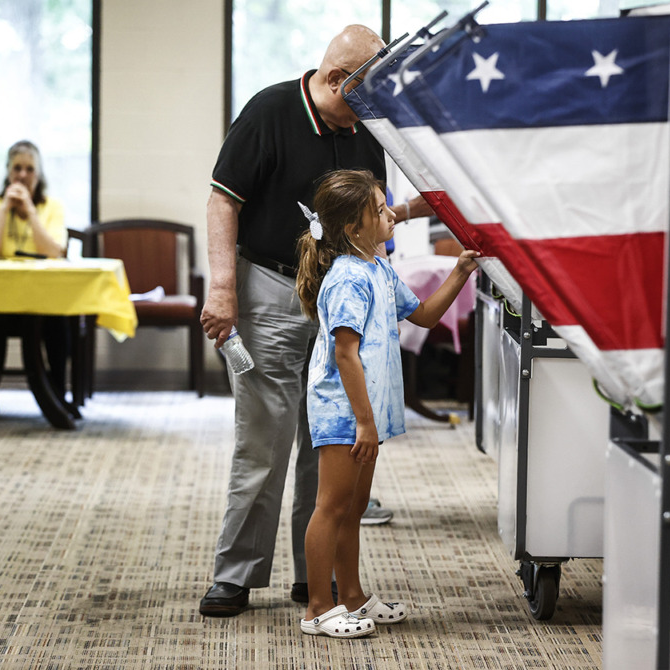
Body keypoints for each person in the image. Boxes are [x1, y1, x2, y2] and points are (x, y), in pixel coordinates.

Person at [198, 24, 431, 618]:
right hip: (269, 289)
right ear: (335, 80)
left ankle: (315, 577)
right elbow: (224, 199)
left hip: (337, 299)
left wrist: (404, 214)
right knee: (265, 440)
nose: (369, 113)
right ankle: (237, 574)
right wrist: (222, 288)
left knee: (325, 438)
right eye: (363, 96)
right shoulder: (270, 112)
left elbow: (363, 219)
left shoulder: (362, 129)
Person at [296, 169, 478, 638]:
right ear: (353, 228)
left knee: (354, 507)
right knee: (331, 506)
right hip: (344, 411)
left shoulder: (377, 268)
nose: (390, 214)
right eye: (379, 210)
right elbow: (344, 352)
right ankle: (319, 607)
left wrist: (460, 269)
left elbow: (425, 315)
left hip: (365, 413)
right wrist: (364, 423)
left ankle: (352, 596)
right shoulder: (345, 280)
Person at [0, 140, 70, 417]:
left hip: (43, 297)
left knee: (59, 319)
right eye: (17, 168)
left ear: (38, 176)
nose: (23, 175)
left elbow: (55, 252)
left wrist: (30, 213)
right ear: (8, 172)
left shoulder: (51, 206)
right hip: (0, 297)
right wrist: (6, 210)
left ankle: (56, 394)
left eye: (29, 169)